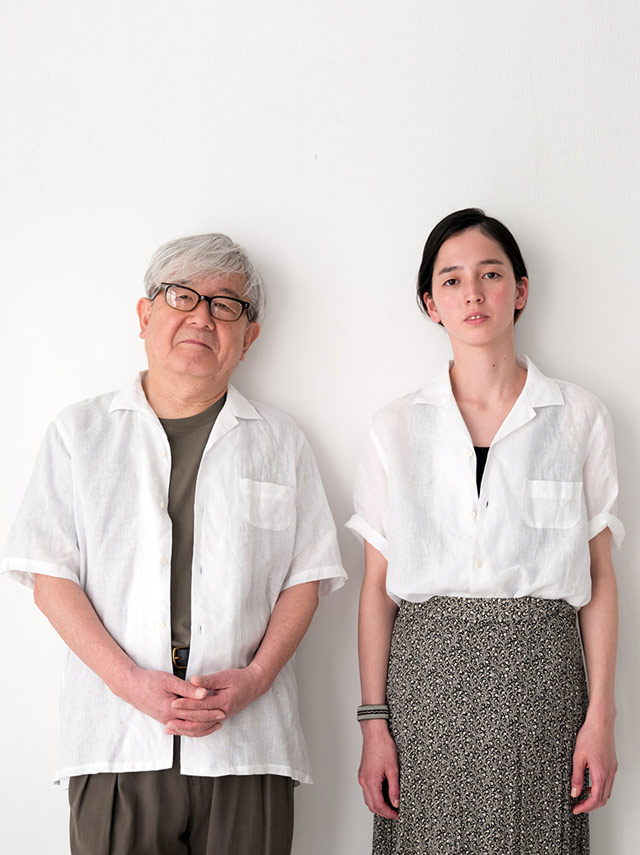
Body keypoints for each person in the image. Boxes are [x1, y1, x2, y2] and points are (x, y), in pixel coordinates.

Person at [2, 233, 346, 855]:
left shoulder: (281, 442)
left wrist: (256, 678)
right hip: (117, 739)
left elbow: (307, 576)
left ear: (249, 336)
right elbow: (49, 577)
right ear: (144, 315)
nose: (202, 317)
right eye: (182, 296)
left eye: (225, 305)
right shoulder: (80, 434)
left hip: (247, 741)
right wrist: (130, 682)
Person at [347, 209, 622, 854]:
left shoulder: (578, 417)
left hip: (544, 687)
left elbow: (600, 577)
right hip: (426, 690)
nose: (472, 293)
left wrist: (601, 716)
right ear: (431, 303)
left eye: (490, 274)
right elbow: (377, 589)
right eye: (451, 280)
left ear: (519, 290)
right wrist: (373, 724)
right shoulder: (395, 427)